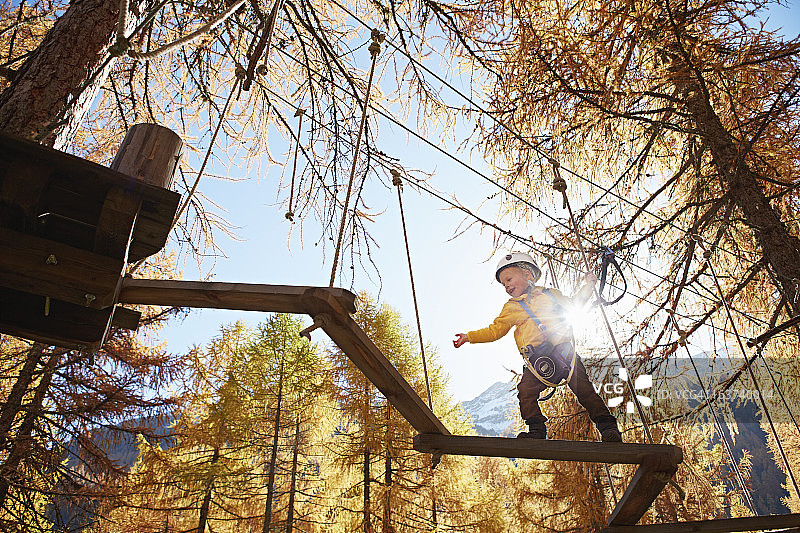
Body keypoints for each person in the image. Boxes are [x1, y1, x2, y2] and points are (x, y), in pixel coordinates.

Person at [453, 252, 622, 442]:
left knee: (585, 390)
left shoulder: (551, 295)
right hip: (536, 360)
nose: (506, 286)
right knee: (526, 392)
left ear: (528, 274)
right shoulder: (512, 307)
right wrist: (470, 337)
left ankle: (608, 427)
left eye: (509, 279)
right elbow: (495, 331)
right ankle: (536, 430)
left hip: (563, 353)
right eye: (503, 284)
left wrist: (589, 286)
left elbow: (574, 303)